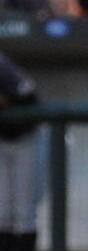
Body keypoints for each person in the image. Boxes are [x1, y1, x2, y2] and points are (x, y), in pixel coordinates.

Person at [0, 52, 39, 251]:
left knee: (24, 212)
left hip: (27, 138)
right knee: (2, 211)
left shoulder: (3, 67)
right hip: (2, 139)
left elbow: (30, 97)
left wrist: (7, 101)